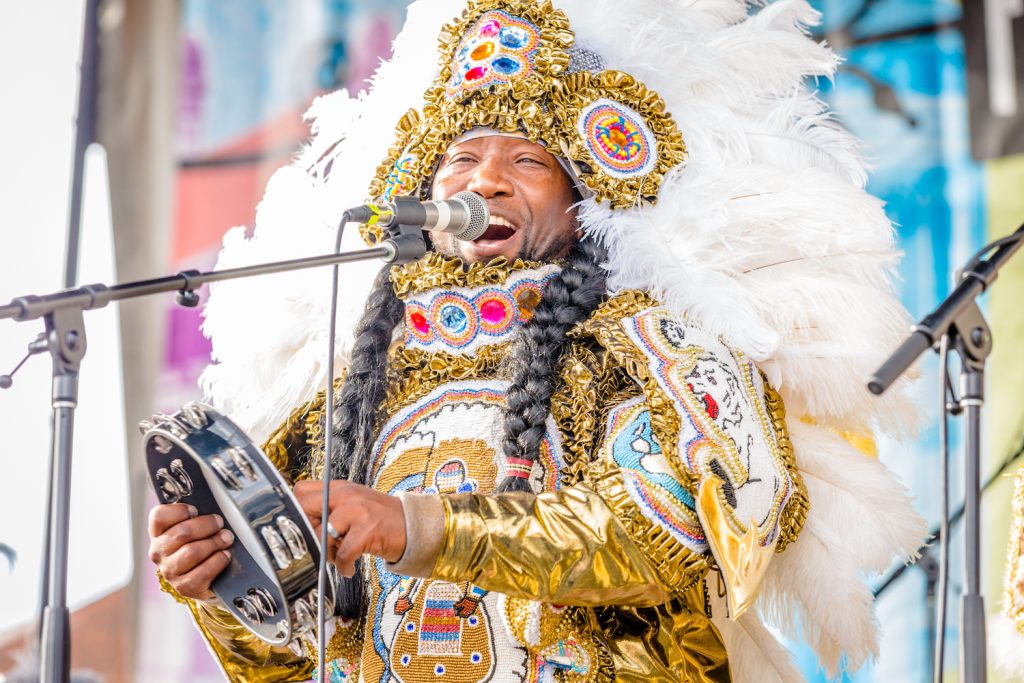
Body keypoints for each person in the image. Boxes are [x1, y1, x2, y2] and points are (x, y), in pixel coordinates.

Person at [149, 0, 928, 680]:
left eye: (526, 160)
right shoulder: (345, 390)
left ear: (585, 195)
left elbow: (679, 531)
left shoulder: (645, 352)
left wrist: (415, 526)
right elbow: (303, 657)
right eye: (461, 158)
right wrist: (224, 583)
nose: (483, 182)